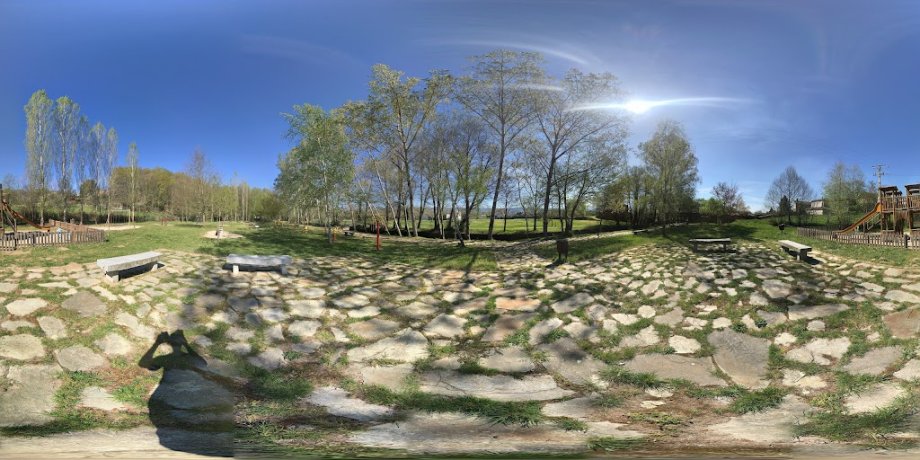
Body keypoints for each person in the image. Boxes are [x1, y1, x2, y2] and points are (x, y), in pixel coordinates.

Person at [139, 330, 235, 457]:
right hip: (184, 395)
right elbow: (202, 364)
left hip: (177, 395)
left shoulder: (167, 359)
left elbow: (145, 364)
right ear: (180, 343)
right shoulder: (180, 358)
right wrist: (186, 345)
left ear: (169, 344)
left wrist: (157, 344)